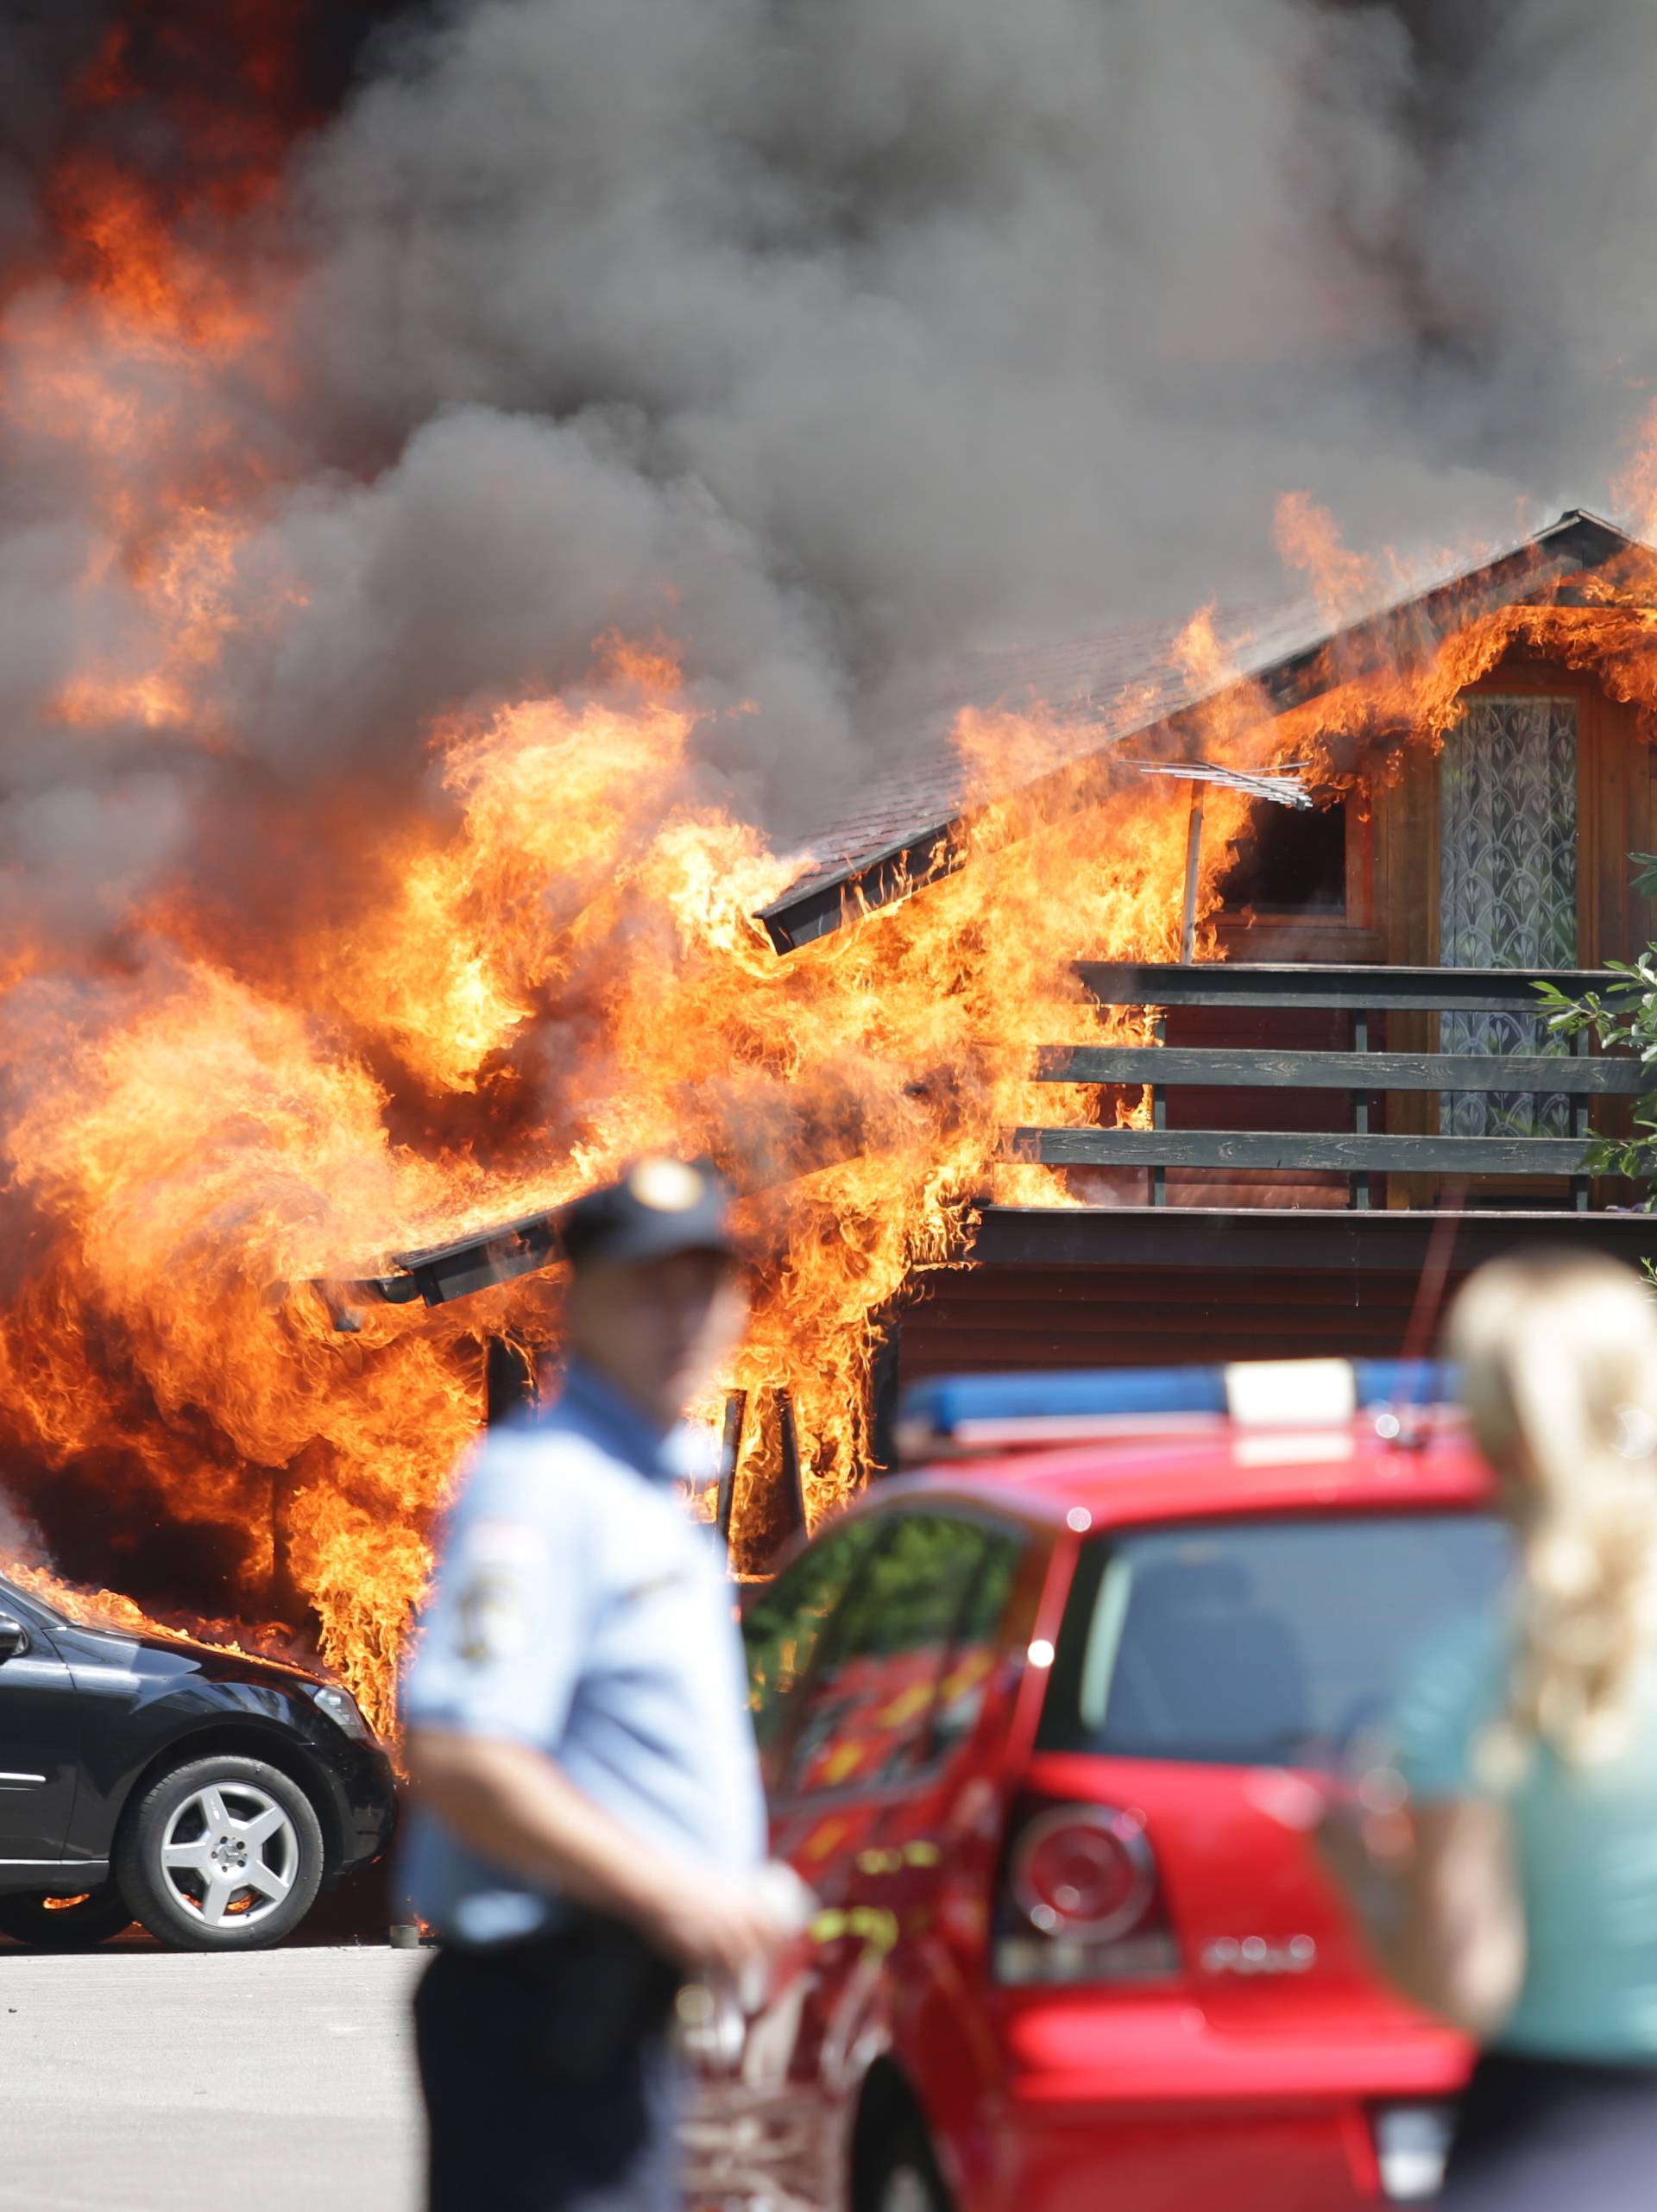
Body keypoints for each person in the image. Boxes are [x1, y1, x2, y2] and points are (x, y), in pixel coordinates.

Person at [400, 1157, 797, 2212]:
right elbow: (460, 1752)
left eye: (706, 1284)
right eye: (646, 1284)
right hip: (548, 2015)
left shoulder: (638, 1492)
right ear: (580, 1302)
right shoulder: (542, 1488)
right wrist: (676, 1894)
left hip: (619, 2017)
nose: (683, 1314)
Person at [1320, 1249, 1657, 2208]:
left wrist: (1354, 1867)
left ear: (1495, 1437)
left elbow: (1461, 1984)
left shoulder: (1475, 1676)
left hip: (1561, 2150)